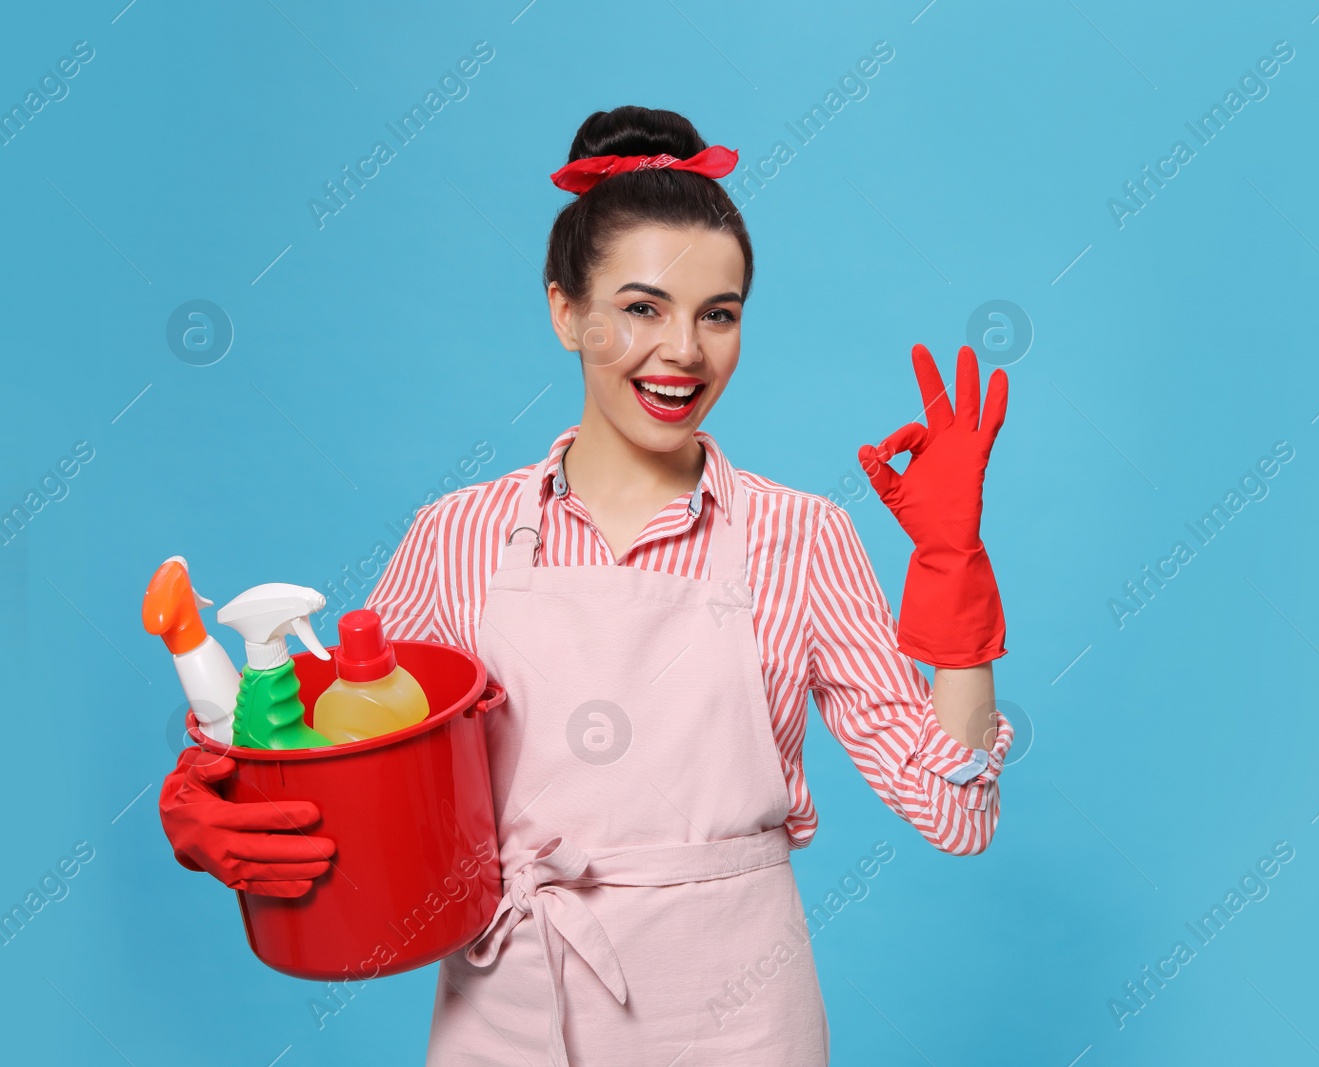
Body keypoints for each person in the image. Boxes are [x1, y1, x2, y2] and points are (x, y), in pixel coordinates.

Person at [158, 105, 1014, 1066]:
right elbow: (339, 753)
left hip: (738, 1019)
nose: (684, 351)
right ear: (565, 309)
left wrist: (952, 571)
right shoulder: (460, 536)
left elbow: (955, 811)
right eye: (642, 308)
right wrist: (212, 789)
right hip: (513, 1005)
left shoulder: (801, 534)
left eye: (717, 314)